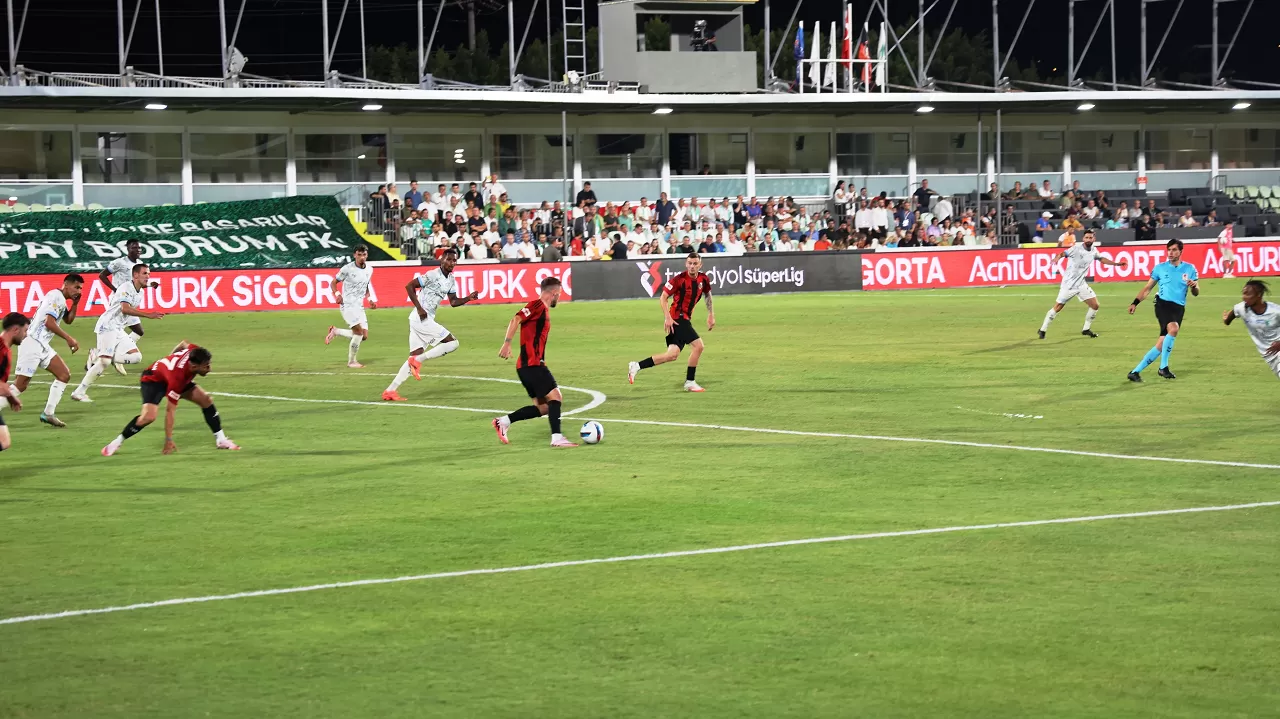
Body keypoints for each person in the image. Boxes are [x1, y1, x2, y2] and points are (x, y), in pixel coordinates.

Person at [101, 340, 240, 456]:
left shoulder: (195, 352)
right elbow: (170, 411)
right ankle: (116, 442)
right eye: (206, 366)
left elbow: (184, 343)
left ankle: (221, 440)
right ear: (193, 366)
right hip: (153, 380)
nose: (209, 369)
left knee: (206, 400)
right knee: (148, 417)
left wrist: (170, 357)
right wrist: (168, 439)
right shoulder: (177, 378)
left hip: (172, 376)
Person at [381, 249, 479, 401]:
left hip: (420, 319)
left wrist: (468, 298)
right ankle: (419, 360)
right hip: (421, 318)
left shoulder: (451, 279)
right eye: (449, 259)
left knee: (413, 356)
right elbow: (409, 286)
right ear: (442, 260)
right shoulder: (432, 275)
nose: (452, 263)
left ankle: (390, 391)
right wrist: (419, 308)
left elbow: (453, 301)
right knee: (453, 343)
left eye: (454, 260)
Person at [492, 277, 576, 447]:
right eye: (559, 294)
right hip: (532, 365)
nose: (559, 297)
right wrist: (507, 343)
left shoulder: (543, 310)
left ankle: (504, 421)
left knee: (544, 408)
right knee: (556, 397)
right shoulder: (537, 305)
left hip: (527, 367)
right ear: (554, 292)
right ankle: (557, 438)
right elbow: (516, 319)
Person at [71, 263, 164, 403]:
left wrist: (151, 284)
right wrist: (148, 315)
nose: (148, 276)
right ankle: (79, 392)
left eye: (149, 273)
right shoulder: (125, 288)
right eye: (145, 273)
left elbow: (141, 286)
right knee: (104, 362)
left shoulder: (140, 291)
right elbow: (125, 308)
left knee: (136, 357)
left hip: (118, 328)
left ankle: (98, 354)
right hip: (108, 325)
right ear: (135, 275)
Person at [628, 253, 715, 392]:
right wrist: (667, 317)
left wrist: (711, 314)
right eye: (690, 263)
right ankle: (690, 381)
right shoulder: (679, 279)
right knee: (698, 346)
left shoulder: (703, 279)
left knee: (671, 355)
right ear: (686, 264)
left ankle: (637, 366)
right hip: (678, 318)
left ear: (700, 265)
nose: (692, 266)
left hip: (683, 319)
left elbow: (707, 295)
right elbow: (663, 297)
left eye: (695, 263)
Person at [12, 273, 83, 428]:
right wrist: (69, 338)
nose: (79, 291)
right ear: (66, 284)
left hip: (42, 345)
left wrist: (75, 304)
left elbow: (68, 320)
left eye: (81, 288)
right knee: (20, 385)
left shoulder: (61, 300)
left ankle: (48, 414)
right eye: (76, 287)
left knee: (64, 375)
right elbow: (49, 323)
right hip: (32, 342)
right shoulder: (56, 297)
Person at [1127, 239, 1200, 381]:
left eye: (1174, 250)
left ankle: (1135, 372)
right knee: (1174, 328)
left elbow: (1196, 292)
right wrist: (1135, 302)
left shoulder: (1190, 268)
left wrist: (1194, 286)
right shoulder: (1160, 268)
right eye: (1169, 250)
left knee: (1162, 344)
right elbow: (1147, 288)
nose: (1170, 253)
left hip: (1179, 308)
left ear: (1180, 251)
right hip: (1163, 304)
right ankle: (1163, 368)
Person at [1039, 231, 1128, 339]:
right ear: (1083, 238)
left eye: (1090, 237)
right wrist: (1057, 258)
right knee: (1058, 307)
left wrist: (1116, 264)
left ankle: (1086, 329)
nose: (1088, 239)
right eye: (1086, 237)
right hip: (1069, 284)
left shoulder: (1094, 250)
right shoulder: (1076, 249)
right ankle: (1042, 329)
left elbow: (1101, 259)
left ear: (1094, 239)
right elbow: (1063, 253)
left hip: (1081, 284)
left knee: (1095, 305)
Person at [99, 239, 160, 357]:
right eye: (134, 247)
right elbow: (102, 275)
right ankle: (105, 355)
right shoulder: (120, 262)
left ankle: (116, 353)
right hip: (118, 302)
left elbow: (136, 284)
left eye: (139, 248)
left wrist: (149, 285)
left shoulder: (140, 265)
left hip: (129, 302)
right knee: (117, 331)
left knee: (138, 331)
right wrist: (115, 289)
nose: (138, 250)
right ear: (128, 249)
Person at [324, 245, 376, 369]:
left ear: (367, 255)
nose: (362, 257)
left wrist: (369, 299)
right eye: (359, 255)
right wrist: (337, 294)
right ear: (354, 255)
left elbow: (365, 286)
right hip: (347, 305)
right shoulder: (347, 269)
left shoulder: (370, 269)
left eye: (364, 255)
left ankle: (336, 331)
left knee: (364, 336)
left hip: (359, 306)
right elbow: (333, 282)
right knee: (358, 333)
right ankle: (352, 362)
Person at [1223, 280, 1280, 379]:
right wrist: (1226, 319)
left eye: (1248, 294)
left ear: (1259, 295)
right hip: (1269, 356)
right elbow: (1228, 320)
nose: (1244, 297)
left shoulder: (1276, 311)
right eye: (1243, 293)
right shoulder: (1241, 308)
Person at [0, 313, 30, 452]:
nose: (26, 335)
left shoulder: (4, 348)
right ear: (16, 330)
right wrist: (12, 398)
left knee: (4, 441)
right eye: (25, 331)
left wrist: (11, 398)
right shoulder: (2, 351)